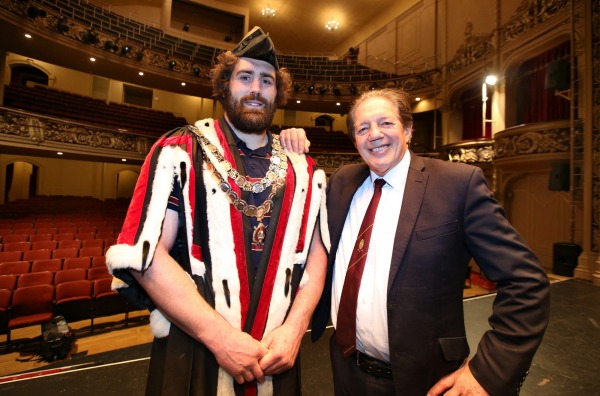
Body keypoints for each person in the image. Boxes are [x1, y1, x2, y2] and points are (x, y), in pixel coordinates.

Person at [106, 26, 328, 395]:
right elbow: (147, 258)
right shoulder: (180, 151)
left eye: (267, 81)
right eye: (245, 77)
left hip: (278, 351)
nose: (256, 89)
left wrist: (294, 330)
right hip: (197, 348)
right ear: (225, 85)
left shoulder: (301, 167)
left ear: (278, 92)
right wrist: (220, 337)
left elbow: (316, 256)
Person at [309, 88, 550, 395]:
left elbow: (526, 282)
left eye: (386, 123)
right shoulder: (343, 182)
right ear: (355, 140)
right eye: (363, 128)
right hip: (346, 370)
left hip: (426, 380)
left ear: (408, 130)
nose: (375, 135)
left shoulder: (457, 185)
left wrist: (487, 373)